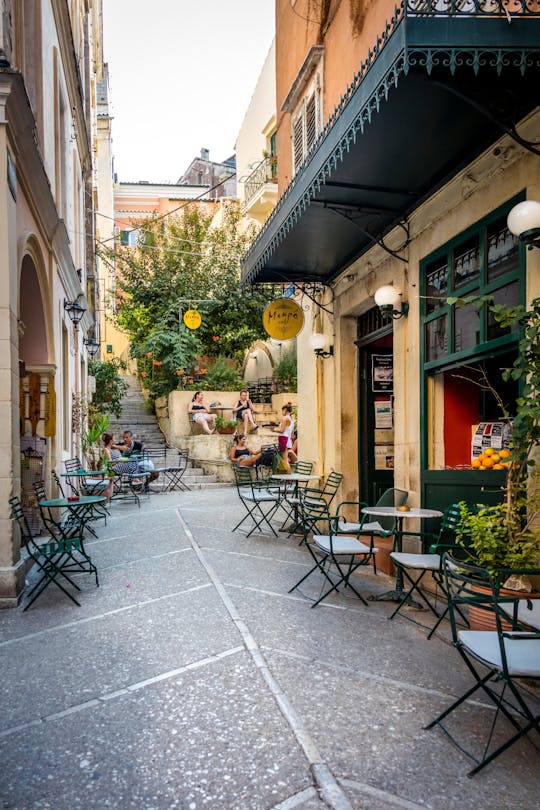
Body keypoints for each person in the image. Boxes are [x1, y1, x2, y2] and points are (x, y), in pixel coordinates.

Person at [273, 402, 295, 474]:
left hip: (283, 438)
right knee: (284, 459)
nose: (282, 412)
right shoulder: (292, 419)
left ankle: (289, 477)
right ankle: (286, 476)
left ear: (285, 410)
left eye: (282, 410)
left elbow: (282, 430)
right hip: (288, 439)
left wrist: (274, 429)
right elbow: (291, 434)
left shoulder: (285, 418)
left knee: (285, 460)